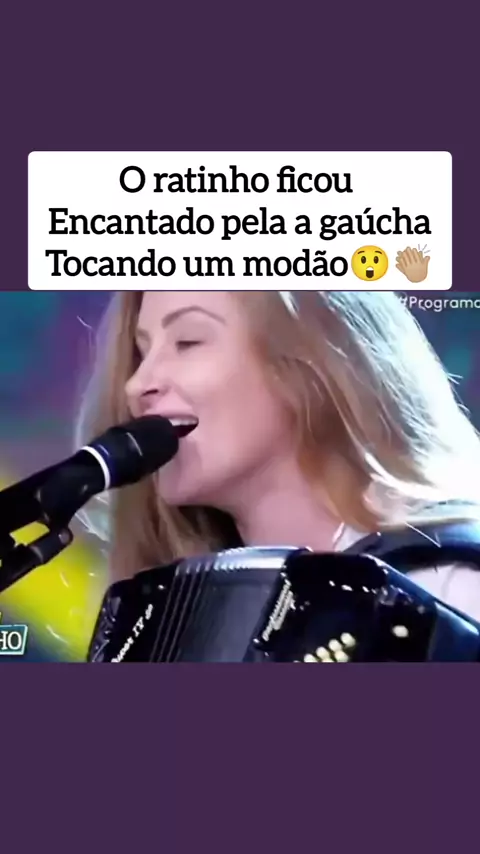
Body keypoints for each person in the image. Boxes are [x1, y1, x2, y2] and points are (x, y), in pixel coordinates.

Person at [76, 290, 480, 622]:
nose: (136, 385)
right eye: (142, 352)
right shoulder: (170, 615)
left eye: (188, 342)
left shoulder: (449, 584)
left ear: (311, 356)